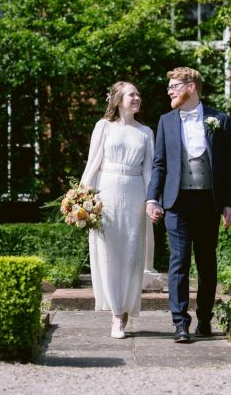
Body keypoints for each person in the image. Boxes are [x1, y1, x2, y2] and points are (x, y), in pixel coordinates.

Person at [146, 67, 231, 343]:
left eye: (175, 85)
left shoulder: (219, 119)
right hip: (177, 202)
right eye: (170, 86)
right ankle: (180, 323)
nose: (170, 91)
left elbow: (230, 166)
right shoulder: (166, 121)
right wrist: (153, 198)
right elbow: (159, 163)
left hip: (209, 201)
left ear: (192, 87)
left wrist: (230, 202)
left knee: (207, 263)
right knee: (179, 262)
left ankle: (205, 320)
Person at [81, 81, 155, 339]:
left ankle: (125, 308)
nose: (137, 97)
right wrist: (80, 197)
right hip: (107, 193)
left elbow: (149, 172)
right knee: (109, 253)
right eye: (132, 94)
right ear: (118, 100)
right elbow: (93, 162)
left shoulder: (146, 132)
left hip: (135, 193)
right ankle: (115, 315)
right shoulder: (104, 127)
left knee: (132, 254)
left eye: (138, 93)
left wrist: (152, 201)